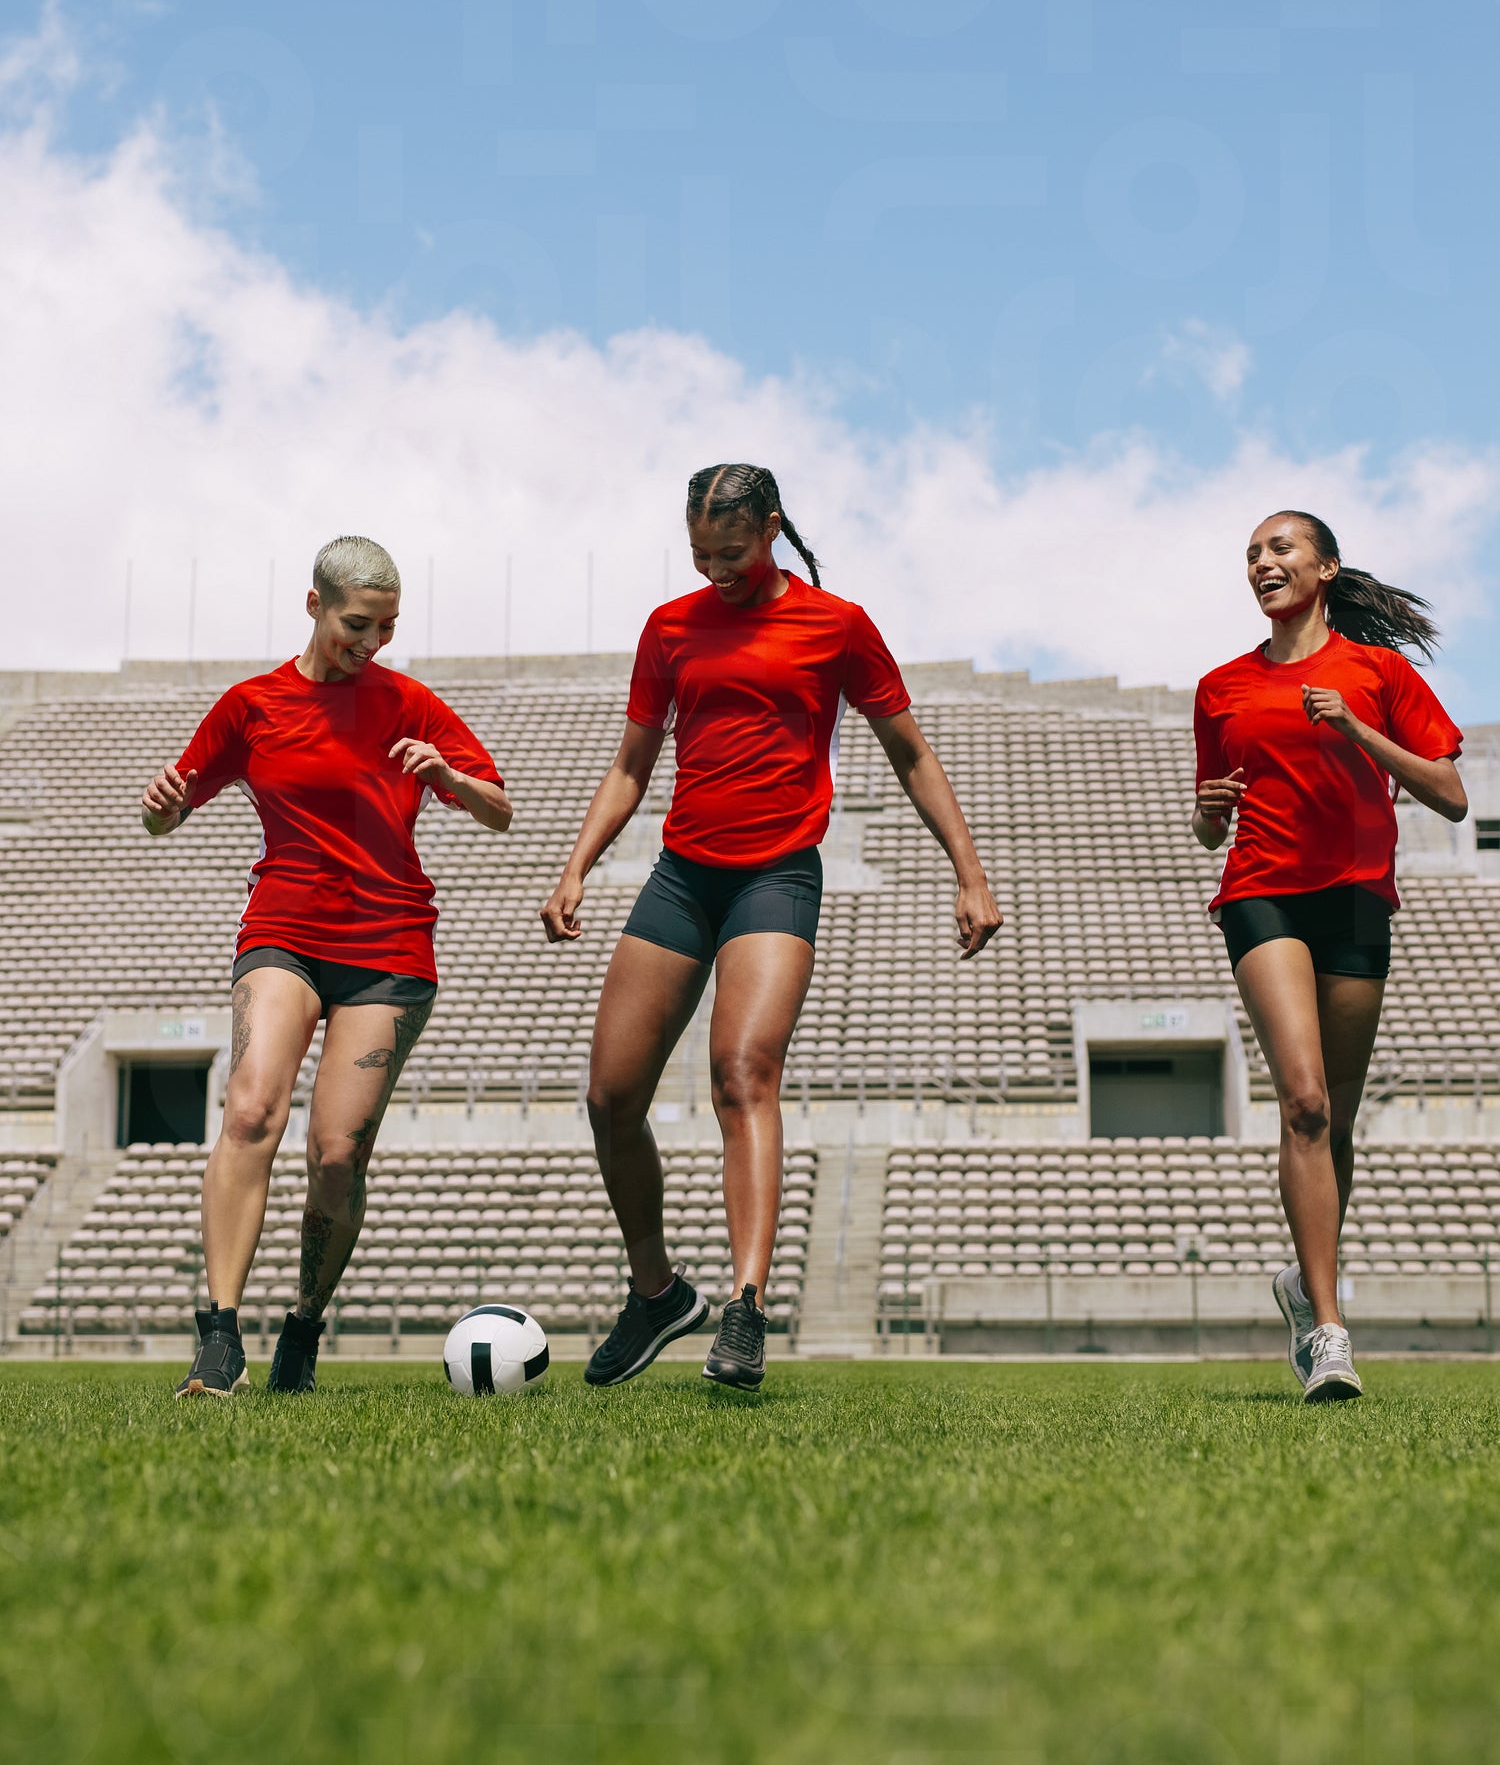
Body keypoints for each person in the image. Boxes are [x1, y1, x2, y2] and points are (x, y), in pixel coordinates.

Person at [541, 463, 1002, 1391]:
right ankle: (657, 1293)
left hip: (777, 875)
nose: (716, 570)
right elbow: (632, 766)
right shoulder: (669, 628)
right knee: (610, 1097)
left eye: (733, 552)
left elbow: (910, 754)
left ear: (773, 529)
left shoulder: (838, 625)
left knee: (742, 1074)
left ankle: (745, 1309)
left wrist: (970, 873)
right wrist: (577, 865)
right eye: (700, 554)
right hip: (681, 877)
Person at [142, 536, 511, 1398]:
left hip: (390, 950)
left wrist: (448, 775)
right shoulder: (251, 706)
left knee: (338, 1154)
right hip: (285, 933)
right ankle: (220, 1338)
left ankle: (303, 1329)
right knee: (250, 1110)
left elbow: (499, 809)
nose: (372, 642)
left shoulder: (411, 703)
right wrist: (160, 807)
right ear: (315, 606)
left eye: (387, 626)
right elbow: (167, 814)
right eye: (357, 624)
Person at [1193, 511, 1466, 1404]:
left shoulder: (1379, 674)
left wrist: (1356, 729)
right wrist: (1208, 810)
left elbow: (1451, 795)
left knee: (1337, 1123)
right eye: (1251, 554)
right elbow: (1207, 827)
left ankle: (1305, 1285)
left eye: (1280, 548)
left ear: (1326, 568)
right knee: (1304, 1102)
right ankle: (1330, 1329)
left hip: (1356, 899)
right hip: (1261, 892)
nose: (1261, 563)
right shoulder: (1220, 687)